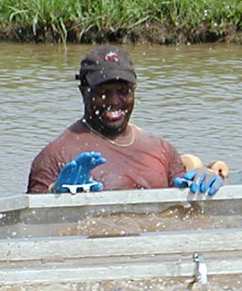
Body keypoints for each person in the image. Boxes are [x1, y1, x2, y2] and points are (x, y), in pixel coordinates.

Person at [26, 46, 219, 199]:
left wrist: (203, 179)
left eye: (123, 91)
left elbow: (183, 207)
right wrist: (55, 195)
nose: (114, 102)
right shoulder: (55, 155)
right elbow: (32, 225)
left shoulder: (161, 149)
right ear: (84, 92)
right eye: (103, 93)